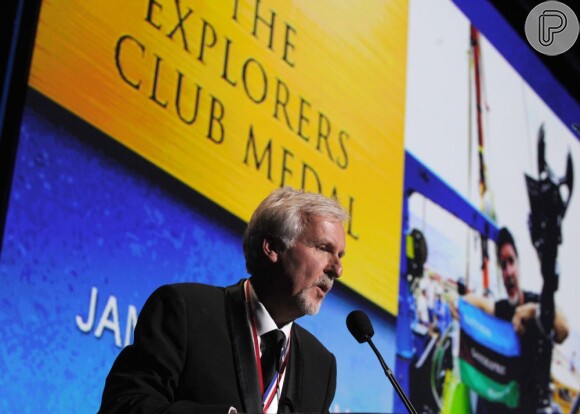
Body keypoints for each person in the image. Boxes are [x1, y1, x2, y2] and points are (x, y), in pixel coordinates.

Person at [98, 187, 348, 413]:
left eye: (340, 255)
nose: (337, 270)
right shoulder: (185, 311)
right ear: (273, 247)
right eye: (324, 248)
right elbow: (123, 406)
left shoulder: (320, 365)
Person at [461, 227, 569, 414]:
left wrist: (531, 312)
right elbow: (478, 303)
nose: (508, 271)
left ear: (519, 265)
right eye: (503, 265)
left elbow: (564, 329)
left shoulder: (536, 304)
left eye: (511, 261)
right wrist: (459, 305)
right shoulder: (503, 309)